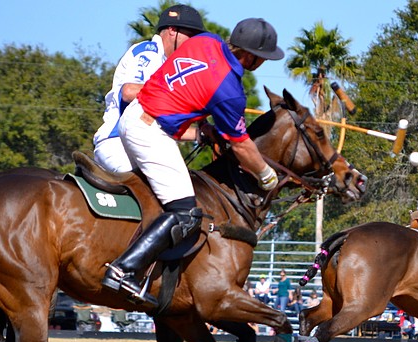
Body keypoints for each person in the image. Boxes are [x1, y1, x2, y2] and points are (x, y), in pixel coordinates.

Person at [103, 17, 285, 308]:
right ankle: (123, 270)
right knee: (187, 213)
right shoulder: (230, 90)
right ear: (250, 56)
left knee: (162, 199)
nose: (263, 63)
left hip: (135, 115)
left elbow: (187, 86)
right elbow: (241, 145)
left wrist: (200, 125)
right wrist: (266, 174)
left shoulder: (205, 40)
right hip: (150, 131)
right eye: (262, 58)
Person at [92, 5, 207, 174]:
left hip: (140, 146)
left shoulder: (168, 66)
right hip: (119, 145)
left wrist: (200, 134)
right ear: (172, 30)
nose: (193, 42)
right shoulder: (149, 52)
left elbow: (161, 126)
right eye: (190, 35)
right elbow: (129, 92)